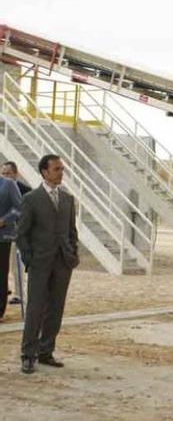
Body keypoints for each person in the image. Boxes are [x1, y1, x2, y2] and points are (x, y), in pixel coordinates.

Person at [18, 154, 79, 374]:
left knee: (55, 308)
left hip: (62, 263)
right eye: (57, 169)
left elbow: (72, 232)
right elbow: (21, 234)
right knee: (35, 309)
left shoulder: (68, 199)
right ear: (45, 172)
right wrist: (30, 259)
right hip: (39, 263)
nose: (61, 172)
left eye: (62, 169)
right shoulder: (31, 199)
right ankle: (28, 354)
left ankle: (46, 351)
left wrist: (73, 254)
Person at [1, 161, 29, 306]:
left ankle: (18, 294)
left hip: (15, 232)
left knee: (15, 265)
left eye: (8, 173)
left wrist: (5, 220)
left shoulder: (22, 188)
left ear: (15, 173)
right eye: (3, 173)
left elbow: (23, 208)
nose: (6, 175)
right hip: (8, 232)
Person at [0, 175, 22, 321]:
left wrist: (4, 220)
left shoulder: (8, 184)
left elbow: (20, 207)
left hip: (2, 236)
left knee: (1, 273)